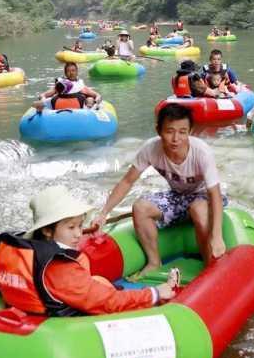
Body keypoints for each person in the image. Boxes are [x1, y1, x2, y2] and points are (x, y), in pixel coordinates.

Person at [0, 185, 175, 317]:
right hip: (64, 324)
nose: (79, 234)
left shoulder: (23, 252)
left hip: (38, 304)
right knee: (104, 288)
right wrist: (154, 293)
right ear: (47, 230)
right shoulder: (59, 267)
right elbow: (107, 302)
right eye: (71, 227)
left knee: (98, 281)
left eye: (80, 226)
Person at [93, 104, 227, 274]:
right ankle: (154, 262)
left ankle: (210, 265)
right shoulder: (151, 149)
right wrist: (104, 213)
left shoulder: (201, 152)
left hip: (203, 197)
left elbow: (214, 194)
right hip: (178, 196)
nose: (175, 138)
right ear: (158, 130)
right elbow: (127, 181)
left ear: (190, 131)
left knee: (198, 208)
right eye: (169, 131)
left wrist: (217, 236)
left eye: (182, 132)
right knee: (140, 208)